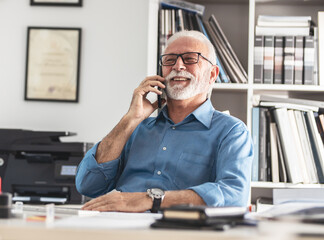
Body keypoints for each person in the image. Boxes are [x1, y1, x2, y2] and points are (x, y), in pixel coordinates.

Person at [75, 30, 253, 213]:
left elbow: (234, 194)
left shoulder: (231, 131)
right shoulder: (136, 128)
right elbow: (88, 185)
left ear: (212, 74)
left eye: (190, 58)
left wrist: (150, 200)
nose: (178, 66)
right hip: (117, 227)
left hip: (177, 230)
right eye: (169, 59)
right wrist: (130, 119)